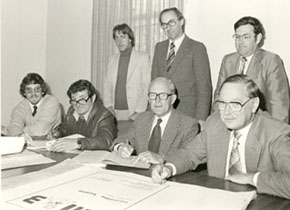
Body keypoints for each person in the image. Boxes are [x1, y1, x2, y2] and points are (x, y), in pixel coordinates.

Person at [152, 74, 290, 200]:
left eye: (235, 104)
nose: (227, 112)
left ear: (253, 105)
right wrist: (168, 168)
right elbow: (189, 154)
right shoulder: (215, 123)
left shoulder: (276, 133)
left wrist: (251, 178)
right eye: (222, 104)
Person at [214, 16, 290, 123]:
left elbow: (279, 106)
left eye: (246, 37)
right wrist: (216, 125)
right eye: (237, 37)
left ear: (258, 38)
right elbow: (218, 97)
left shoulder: (271, 61)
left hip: (259, 126)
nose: (240, 42)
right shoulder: (228, 60)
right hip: (230, 123)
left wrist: (276, 135)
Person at [112, 77, 199, 164]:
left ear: (172, 99)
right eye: (153, 95)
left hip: (168, 175)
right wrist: (120, 147)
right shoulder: (141, 119)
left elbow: (187, 159)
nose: (157, 101)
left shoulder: (188, 125)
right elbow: (122, 139)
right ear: (148, 99)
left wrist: (161, 159)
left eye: (163, 95)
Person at [151, 7, 212, 121]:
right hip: (162, 114)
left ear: (181, 21)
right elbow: (154, 82)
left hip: (188, 115)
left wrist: (201, 120)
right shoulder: (159, 48)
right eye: (164, 25)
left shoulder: (196, 48)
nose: (168, 28)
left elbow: (204, 88)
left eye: (171, 22)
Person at [50, 80, 117, 152]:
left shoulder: (104, 115)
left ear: (93, 98)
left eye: (82, 99)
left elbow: (106, 141)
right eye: (74, 100)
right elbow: (64, 129)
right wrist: (57, 133)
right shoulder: (72, 110)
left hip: (93, 159)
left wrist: (77, 143)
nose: (78, 104)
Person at [103, 23, 151, 121]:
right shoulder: (112, 59)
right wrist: (108, 106)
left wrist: (138, 112)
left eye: (122, 37)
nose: (119, 41)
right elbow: (107, 85)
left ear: (130, 38)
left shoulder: (143, 58)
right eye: (116, 38)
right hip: (114, 112)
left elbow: (147, 86)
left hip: (134, 111)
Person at [7, 73, 61, 138]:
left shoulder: (52, 102)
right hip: (32, 145)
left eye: (37, 89)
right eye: (29, 90)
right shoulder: (21, 106)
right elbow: (14, 125)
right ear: (24, 93)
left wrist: (21, 132)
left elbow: (41, 129)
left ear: (42, 91)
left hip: (52, 144)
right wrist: (16, 133)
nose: (33, 93)